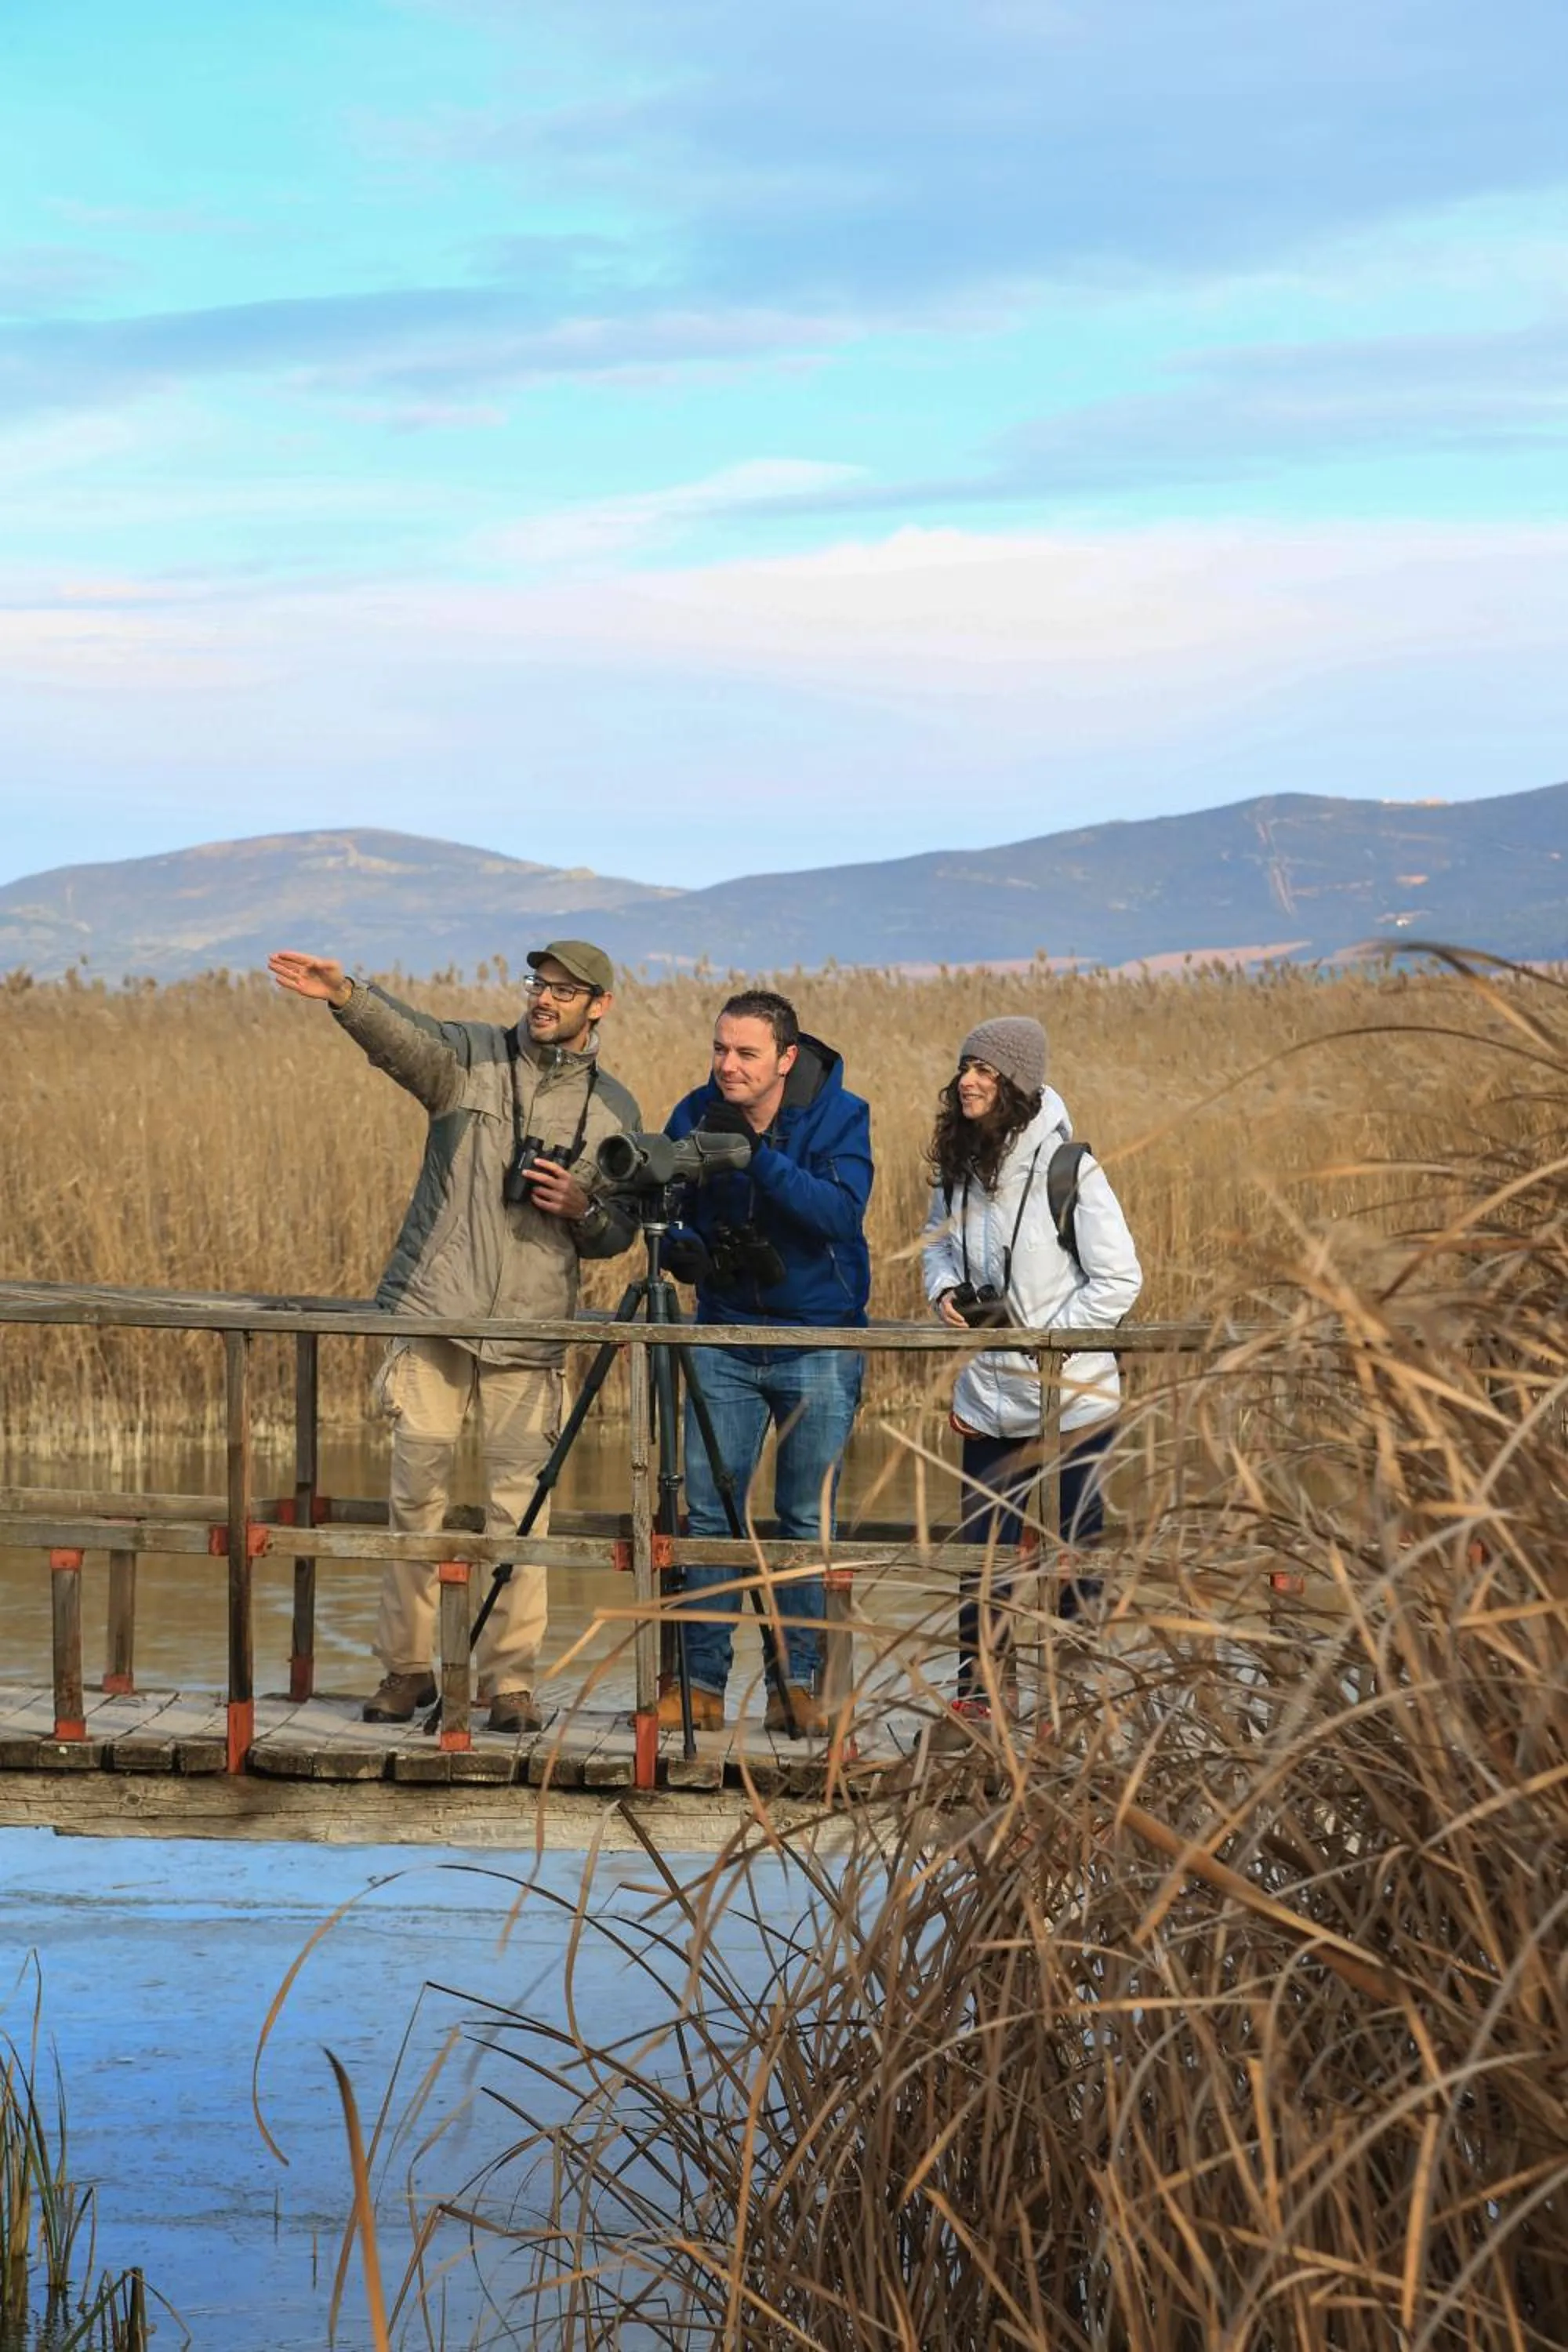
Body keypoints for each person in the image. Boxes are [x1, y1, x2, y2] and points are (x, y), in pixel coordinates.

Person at [267, 940, 639, 1732]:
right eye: (538, 985)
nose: (544, 1000)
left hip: (531, 1328)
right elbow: (403, 1041)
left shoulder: (614, 1111)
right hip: (435, 1310)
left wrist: (583, 1209)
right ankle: (407, 1671)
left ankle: (509, 1684)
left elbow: (617, 1235)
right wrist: (346, 995)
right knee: (415, 1499)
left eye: (564, 992)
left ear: (597, 1006)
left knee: (520, 1514)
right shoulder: (468, 1058)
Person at [658, 989, 873, 1735]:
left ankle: (797, 1687)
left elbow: (840, 1215)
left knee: (803, 1519)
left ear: (786, 1057)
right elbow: (669, 1205)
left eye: (746, 1053)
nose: (727, 1066)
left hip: (819, 1339)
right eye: (720, 1049)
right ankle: (700, 1689)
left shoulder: (841, 1116)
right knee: (711, 1516)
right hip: (723, 1333)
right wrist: (679, 1246)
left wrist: (757, 1159)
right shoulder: (692, 1111)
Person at [922, 1015, 1142, 1719]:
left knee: (1076, 1554)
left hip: (1071, 1400)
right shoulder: (958, 1164)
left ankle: (1079, 1696)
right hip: (988, 1399)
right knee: (980, 1558)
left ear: (1016, 1083)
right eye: (964, 1067)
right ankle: (980, 1695)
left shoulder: (1068, 1169)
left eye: (985, 1070)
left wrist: (1048, 1342)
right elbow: (936, 1249)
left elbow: (1120, 1279)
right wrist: (944, 1292)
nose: (967, 1081)